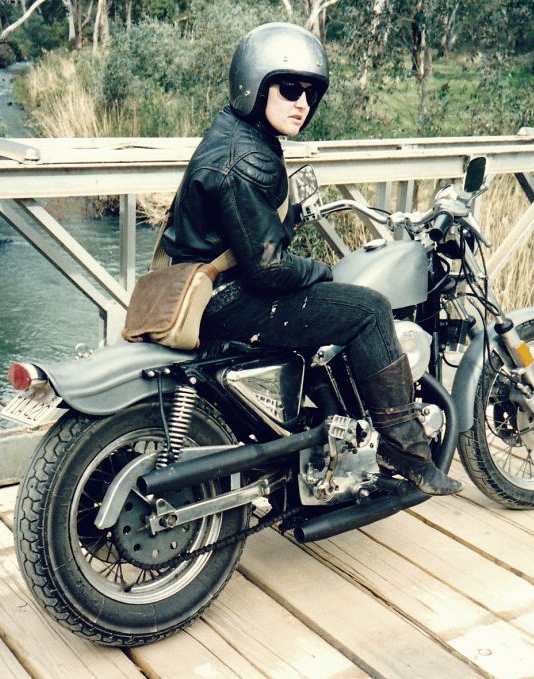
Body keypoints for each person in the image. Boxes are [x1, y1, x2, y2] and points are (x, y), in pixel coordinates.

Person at [161, 22, 461, 496]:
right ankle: (404, 449)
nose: (302, 102)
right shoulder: (247, 159)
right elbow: (269, 268)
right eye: (289, 88)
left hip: (199, 290)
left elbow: (238, 224)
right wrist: (321, 270)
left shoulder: (233, 134)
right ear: (254, 85)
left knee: (325, 311)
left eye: (310, 93)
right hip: (227, 299)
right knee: (367, 309)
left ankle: (320, 434)